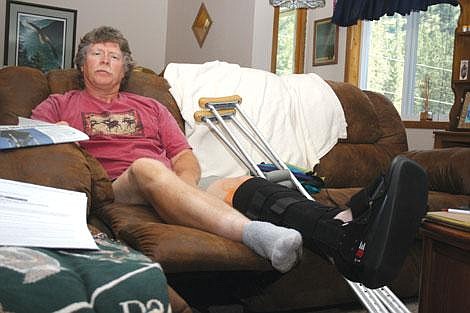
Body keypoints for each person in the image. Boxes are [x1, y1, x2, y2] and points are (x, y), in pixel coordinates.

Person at [32, 26, 428, 288]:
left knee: (242, 183)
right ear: (81, 63)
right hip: (116, 186)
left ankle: (343, 236)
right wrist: (156, 179)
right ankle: (259, 236)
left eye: (113, 56)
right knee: (147, 166)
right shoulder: (58, 103)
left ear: (125, 67)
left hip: (166, 182)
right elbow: (33, 148)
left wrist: (181, 187)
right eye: (96, 54)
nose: (104, 60)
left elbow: (183, 155)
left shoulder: (149, 107)